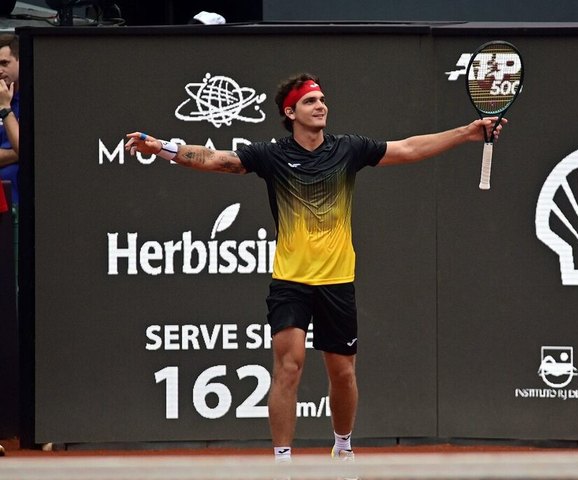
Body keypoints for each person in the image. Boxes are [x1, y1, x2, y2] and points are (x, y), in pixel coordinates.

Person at [125, 73, 504, 463]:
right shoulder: (272, 155)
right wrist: (163, 148)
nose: (320, 105)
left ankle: (342, 447)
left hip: (337, 282)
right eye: (310, 101)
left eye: (322, 99)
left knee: (342, 375)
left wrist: (467, 132)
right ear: (290, 112)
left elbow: (407, 148)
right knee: (289, 366)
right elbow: (217, 159)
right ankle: (283, 463)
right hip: (291, 280)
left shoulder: (348, 149)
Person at [0, 33, 19, 279]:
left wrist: (5, 108)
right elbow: (22, 149)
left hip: (15, 209)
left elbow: (30, 149)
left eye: (4, 64)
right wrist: (17, 152)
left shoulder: (29, 99)